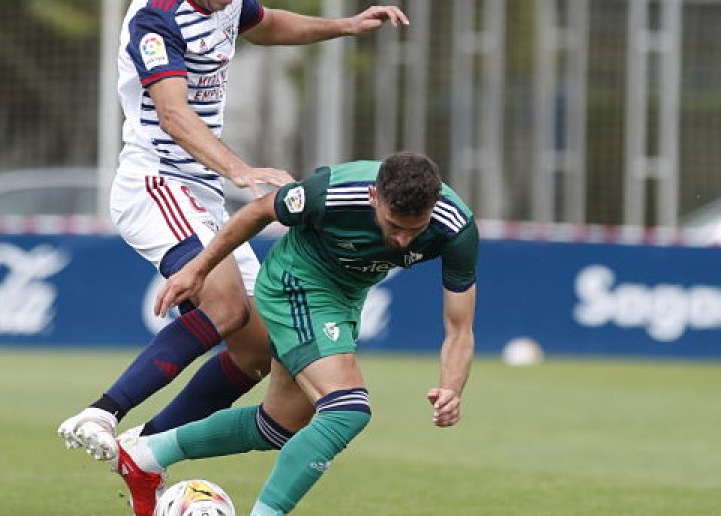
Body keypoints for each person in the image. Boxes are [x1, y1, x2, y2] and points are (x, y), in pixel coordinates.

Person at [58, 0, 410, 465]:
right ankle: (102, 412)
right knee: (224, 305)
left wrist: (345, 26)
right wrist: (239, 170)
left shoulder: (226, 0)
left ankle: (142, 452)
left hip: (200, 193)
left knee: (258, 348)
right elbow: (173, 115)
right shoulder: (156, 18)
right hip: (156, 182)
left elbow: (267, 25)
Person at [115, 152, 479, 516]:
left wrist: (451, 387)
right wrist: (198, 269)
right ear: (374, 196)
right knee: (347, 410)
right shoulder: (332, 192)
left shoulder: (456, 228)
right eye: (393, 225)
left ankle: (146, 453)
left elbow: (460, 328)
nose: (402, 240)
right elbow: (257, 212)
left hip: (345, 300)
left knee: (277, 426)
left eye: (415, 230)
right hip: (296, 282)